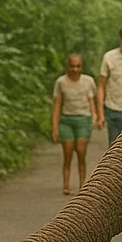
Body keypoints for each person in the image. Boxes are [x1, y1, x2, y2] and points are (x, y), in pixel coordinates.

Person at [50, 52, 98, 194]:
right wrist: (54, 128)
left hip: (83, 119)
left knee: (81, 152)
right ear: (67, 66)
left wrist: (95, 116)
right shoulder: (61, 82)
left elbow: (91, 101)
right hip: (67, 120)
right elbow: (57, 106)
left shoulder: (88, 81)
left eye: (78, 66)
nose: (75, 69)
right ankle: (66, 184)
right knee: (68, 152)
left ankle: (83, 184)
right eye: (72, 66)